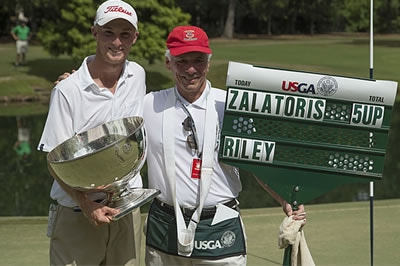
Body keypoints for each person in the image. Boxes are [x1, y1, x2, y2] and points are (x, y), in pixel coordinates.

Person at [143, 25, 306, 266]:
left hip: (219, 228)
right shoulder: (149, 104)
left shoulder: (230, 105)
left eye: (198, 60)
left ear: (208, 63)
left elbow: (256, 161)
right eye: (181, 61)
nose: (190, 69)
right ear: (169, 63)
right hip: (164, 229)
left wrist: (285, 199)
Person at [37, 1, 145, 265]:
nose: (117, 42)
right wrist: (86, 204)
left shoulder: (138, 75)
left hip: (127, 208)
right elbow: (54, 160)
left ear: (135, 37)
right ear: (95, 32)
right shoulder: (67, 91)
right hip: (78, 213)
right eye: (109, 32)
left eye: (124, 34)